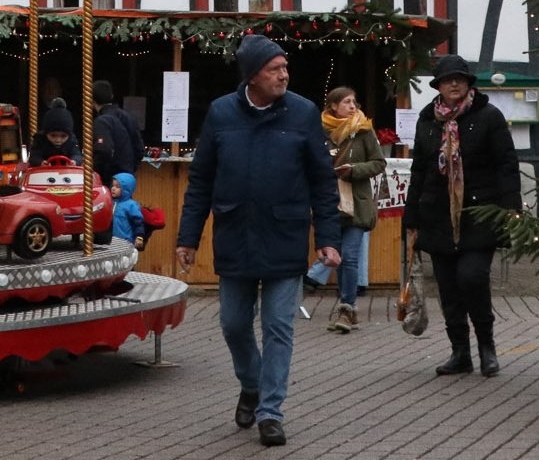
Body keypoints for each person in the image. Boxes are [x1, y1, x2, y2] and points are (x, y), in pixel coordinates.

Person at [176, 34, 341, 448]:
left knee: (278, 327)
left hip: (284, 235)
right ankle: (251, 384)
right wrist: (188, 237)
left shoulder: (303, 114)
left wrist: (328, 236)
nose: (284, 75)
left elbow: (323, 181)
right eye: (275, 69)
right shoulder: (221, 113)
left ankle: (271, 412)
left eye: (285, 68)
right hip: (235, 234)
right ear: (252, 76)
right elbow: (201, 182)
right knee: (232, 324)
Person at [402, 55, 521, 378]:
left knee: (471, 277)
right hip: (437, 216)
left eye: (460, 78)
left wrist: (510, 207)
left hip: (479, 213)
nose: (454, 84)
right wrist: (410, 216)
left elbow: (506, 164)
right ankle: (460, 352)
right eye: (447, 79)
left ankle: (487, 347)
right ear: (438, 86)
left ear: (469, 83)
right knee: (449, 287)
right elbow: (420, 171)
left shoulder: (488, 117)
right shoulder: (428, 120)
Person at [318, 87, 385, 334]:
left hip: (356, 204)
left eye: (354, 101)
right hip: (329, 204)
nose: (353, 106)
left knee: (350, 256)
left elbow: (379, 163)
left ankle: (347, 308)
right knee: (336, 258)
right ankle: (347, 308)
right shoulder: (321, 132)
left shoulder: (363, 130)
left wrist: (353, 170)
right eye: (346, 102)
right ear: (333, 106)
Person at [91, 79, 142, 184]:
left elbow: (104, 151)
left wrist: (95, 170)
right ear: (112, 96)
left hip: (110, 178)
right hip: (127, 178)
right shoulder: (129, 117)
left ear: (92, 101)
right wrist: (130, 170)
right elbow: (139, 149)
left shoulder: (102, 121)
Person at [27, 99, 80, 166]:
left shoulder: (71, 140)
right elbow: (34, 156)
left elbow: (77, 154)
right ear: (46, 133)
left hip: (67, 172)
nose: (58, 140)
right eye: (53, 135)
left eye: (63, 136)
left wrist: (74, 161)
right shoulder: (40, 140)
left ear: (69, 135)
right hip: (43, 173)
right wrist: (40, 162)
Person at [109, 171, 145, 246]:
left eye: (117, 187)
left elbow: (138, 223)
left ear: (126, 189)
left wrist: (139, 237)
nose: (113, 188)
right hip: (111, 241)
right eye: (113, 185)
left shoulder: (131, 205)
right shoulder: (110, 202)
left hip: (126, 242)